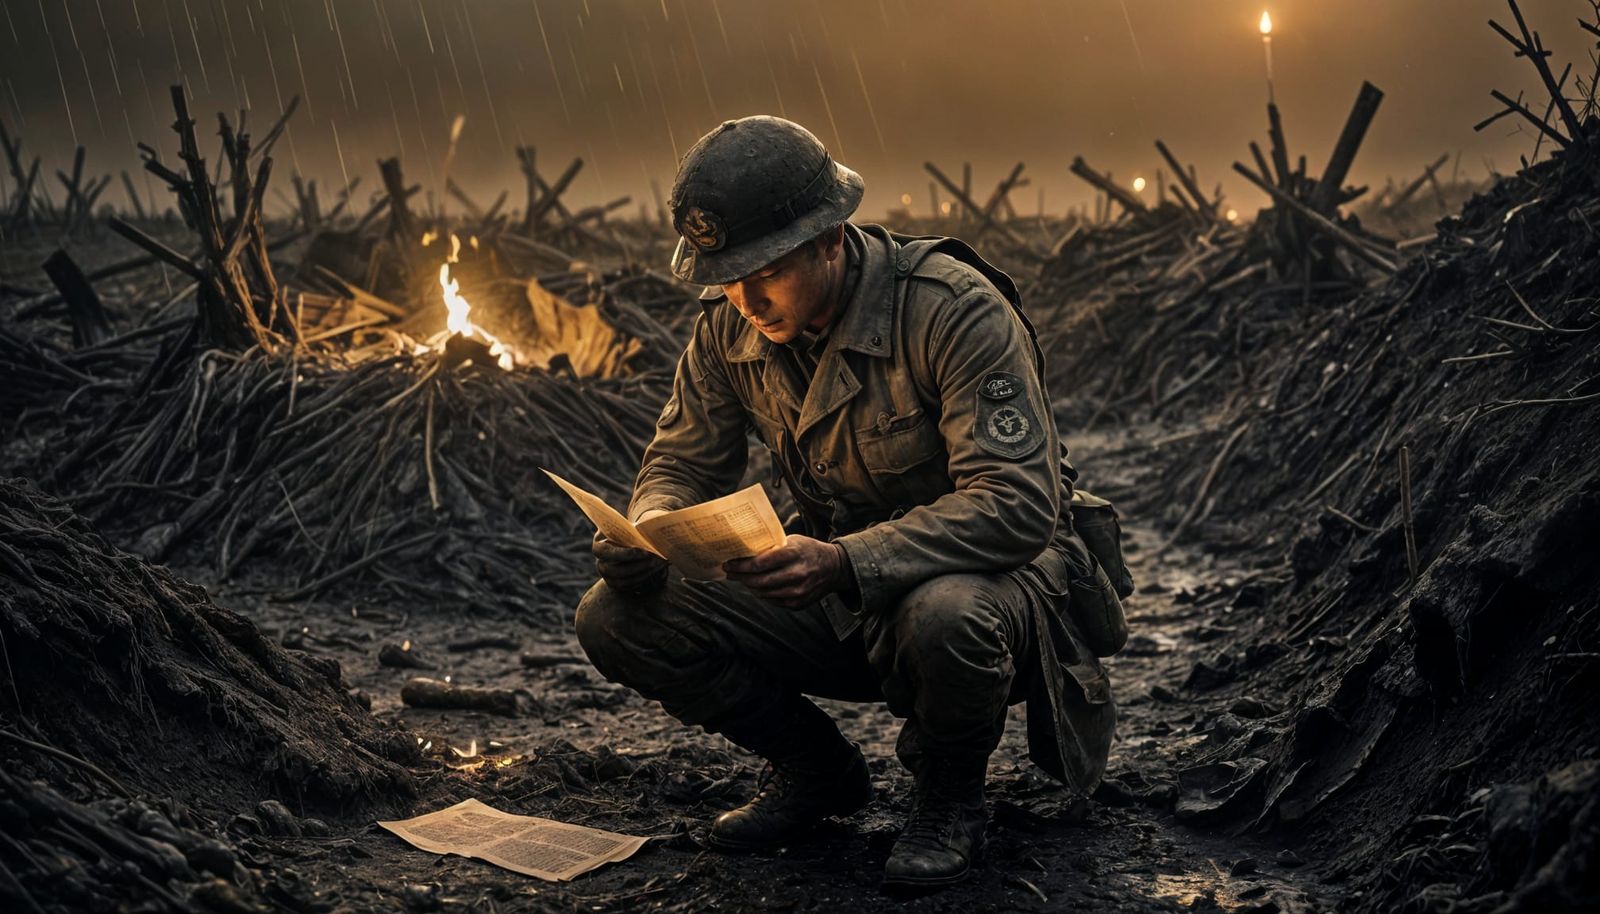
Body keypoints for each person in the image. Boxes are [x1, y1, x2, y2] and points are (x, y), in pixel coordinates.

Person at [574, 115, 1116, 891]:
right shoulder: (729, 325)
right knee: (613, 616)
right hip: (833, 587)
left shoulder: (951, 309)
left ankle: (949, 795)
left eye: (765, 269)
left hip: (995, 587)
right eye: (725, 274)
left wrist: (845, 561)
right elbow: (680, 462)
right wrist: (646, 530)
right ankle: (816, 772)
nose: (744, 295)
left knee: (946, 614)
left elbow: (1017, 505)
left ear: (830, 239)